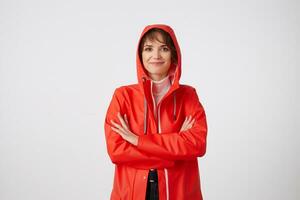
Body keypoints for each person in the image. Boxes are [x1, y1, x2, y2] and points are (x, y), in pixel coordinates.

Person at [104, 24, 208, 200]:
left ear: (174, 55)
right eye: (149, 48)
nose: (156, 55)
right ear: (141, 56)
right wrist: (173, 155)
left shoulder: (188, 96)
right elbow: (117, 151)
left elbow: (197, 144)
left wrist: (138, 141)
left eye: (164, 48)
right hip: (131, 193)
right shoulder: (123, 96)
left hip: (180, 193)